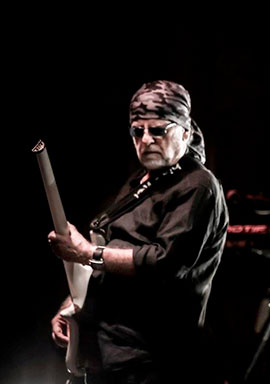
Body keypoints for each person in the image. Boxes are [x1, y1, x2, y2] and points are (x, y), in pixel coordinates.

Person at [48, 80, 229, 383]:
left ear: (185, 133)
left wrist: (87, 253)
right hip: (109, 355)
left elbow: (164, 262)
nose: (146, 139)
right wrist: (72, 306)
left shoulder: (198, 185)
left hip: (153, 361)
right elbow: (110, 250)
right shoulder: (140, 182)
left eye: (158, 130)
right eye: (137, 131)